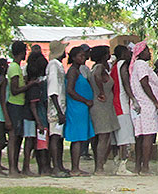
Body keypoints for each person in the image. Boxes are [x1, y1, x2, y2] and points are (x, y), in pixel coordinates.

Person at [129, 41, 158, 175]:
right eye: (147, 50)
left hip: (141, 104)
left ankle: (138, 166)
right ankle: (145, 167)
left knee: (141, 137)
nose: (149, 53)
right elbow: (144, 83)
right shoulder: (141, 65)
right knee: (148, 136)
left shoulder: (137, 65)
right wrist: (155, 101)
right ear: (141, 52)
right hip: (146, 104)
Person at [88, 45, 120, 174]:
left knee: (102, 137)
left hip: (102, 106)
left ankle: (99, 164)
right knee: (103, 136)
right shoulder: (99, 67)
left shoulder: (97, 67)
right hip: (101, 105)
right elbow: (97, 76)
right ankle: (99, 167)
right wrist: (101, 91)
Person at [64, 46, 95, 176]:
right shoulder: (73, 71)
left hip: (81, 107)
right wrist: (85, 100)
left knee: (80, 137)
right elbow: (70, 90)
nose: (83, 58)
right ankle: (75, 168)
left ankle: (76, 166)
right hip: (77, 107)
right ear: (73, 57)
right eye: (80, 56)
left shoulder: (79, 70)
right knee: (77, 137)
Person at [7, 40, 34, 177]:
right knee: (13, 137)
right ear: (21, 52)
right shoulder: (14, 68)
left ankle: (15, 167)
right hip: (14, 104)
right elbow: (15, 90)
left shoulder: (17, 67)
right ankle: (12, 168)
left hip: (19, 105)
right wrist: (30, 85)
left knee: (18, 137)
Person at [110, 44, 137, 176]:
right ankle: (122, 164)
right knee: (124, 138)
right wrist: (133, 99)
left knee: (118, 137)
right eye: (127, 52)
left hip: (116, 102)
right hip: (122, 104)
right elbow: (126, 84)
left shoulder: (115, 66)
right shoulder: (123, 66)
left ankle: (117, 162)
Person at [45, 40, 69, 177]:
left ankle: (59, 165)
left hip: (60, 106)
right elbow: (53, 90)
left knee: (59, 137)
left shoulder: (58, 65)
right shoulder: (53, 65)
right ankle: (55, 167)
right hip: (56, 107)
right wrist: (59, 111)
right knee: (55, 136)